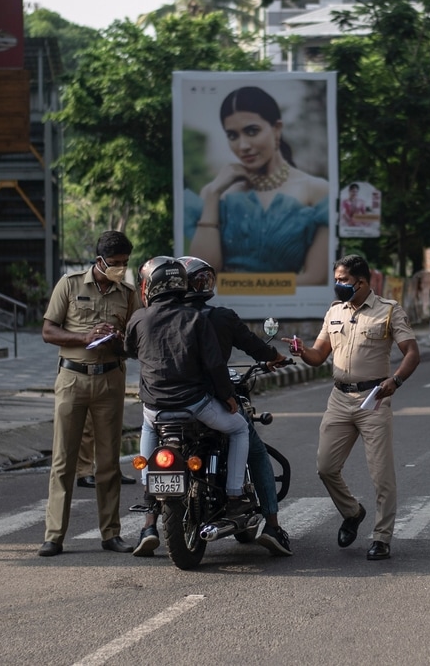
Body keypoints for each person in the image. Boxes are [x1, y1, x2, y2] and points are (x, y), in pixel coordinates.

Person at [132, 256, 293, 558]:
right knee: (251, 444)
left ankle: (149, 520)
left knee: (150, 430)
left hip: (160, 404)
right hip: (205, 401)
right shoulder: (212, 317)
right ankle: (270, 523)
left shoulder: (153, 316)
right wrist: (274, 358)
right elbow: (232, 357)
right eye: (200, 280)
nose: (204, 286)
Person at [288, 254, 420, 560]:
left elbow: (412, 352)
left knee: (381, 474)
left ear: (362, 282)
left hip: (373, 399)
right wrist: (300, 350)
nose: (338, 285)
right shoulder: (334, 312)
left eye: (343, 280)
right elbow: (318, 355)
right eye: (336, 279)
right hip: (339, 399)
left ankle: (382, 537)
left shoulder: (388, 311)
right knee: (325, 466)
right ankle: (352, 512)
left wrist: (396, 381)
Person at [127, 256, 255, 534]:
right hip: (195, 405)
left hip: (156, 408)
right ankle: (234, 495)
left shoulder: (139, 318)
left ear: (150, 288)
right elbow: (214, 365)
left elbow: (129, 349)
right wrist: (228, 397)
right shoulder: (196, 318)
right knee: (239, 429)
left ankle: (149, 494)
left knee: (148, 425)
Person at [38, 231, 141, 557]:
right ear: (99, 261)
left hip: (110, 381)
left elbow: (137, 342)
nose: (120, 269)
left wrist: (118, 341)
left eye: (124, 263)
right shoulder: (69, 285)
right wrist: (85, 337)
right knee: (63, 461)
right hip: (72, 380)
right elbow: (48, 331)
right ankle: (54, 536)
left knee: (108, 463)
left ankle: (111, 534)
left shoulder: (127, 294)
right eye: (114, 263)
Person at [185, 86, 330, 284]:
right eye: (233, 136)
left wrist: (245, 289)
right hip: (223, 312)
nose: (243, 146)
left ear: (277, 129)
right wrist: (213, 193)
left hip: (290, 311)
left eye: (252, 131)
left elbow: (316, 277)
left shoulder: (315, 190)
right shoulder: (217, 193)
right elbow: (201, 276)